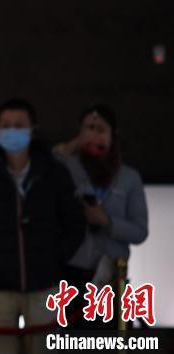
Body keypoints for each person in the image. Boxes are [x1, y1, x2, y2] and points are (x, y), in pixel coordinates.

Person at [0, 99, 85, 354]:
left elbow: (75, 223)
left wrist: (55, 259)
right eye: (6, 125)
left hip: (45, 285)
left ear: (32, 130)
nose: (12, 130)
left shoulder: (54, 174)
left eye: (19, 125)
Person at [54, 104, 148, 328]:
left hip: (111, 276)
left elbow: (140, 232)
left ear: (113, 135)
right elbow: (45, 163)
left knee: (108, 340)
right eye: (88, 128)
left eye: (100, 129)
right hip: (71, 274)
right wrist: (74, 144)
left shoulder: (129, 177)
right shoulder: (68, 168)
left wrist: (107, 222)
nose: (94, 134)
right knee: (71, 340)